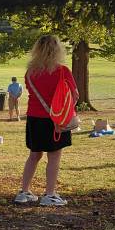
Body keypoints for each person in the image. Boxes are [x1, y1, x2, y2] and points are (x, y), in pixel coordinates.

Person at [15, 35, 77, 206]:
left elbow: (31, 92)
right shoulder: (62, 71)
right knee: (54, 156)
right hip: (56, 118)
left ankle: (24, 191)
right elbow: (74, 94)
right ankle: (49, 194)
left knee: (34, 155)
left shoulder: (30, 72)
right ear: (57, 50)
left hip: (34, 117)